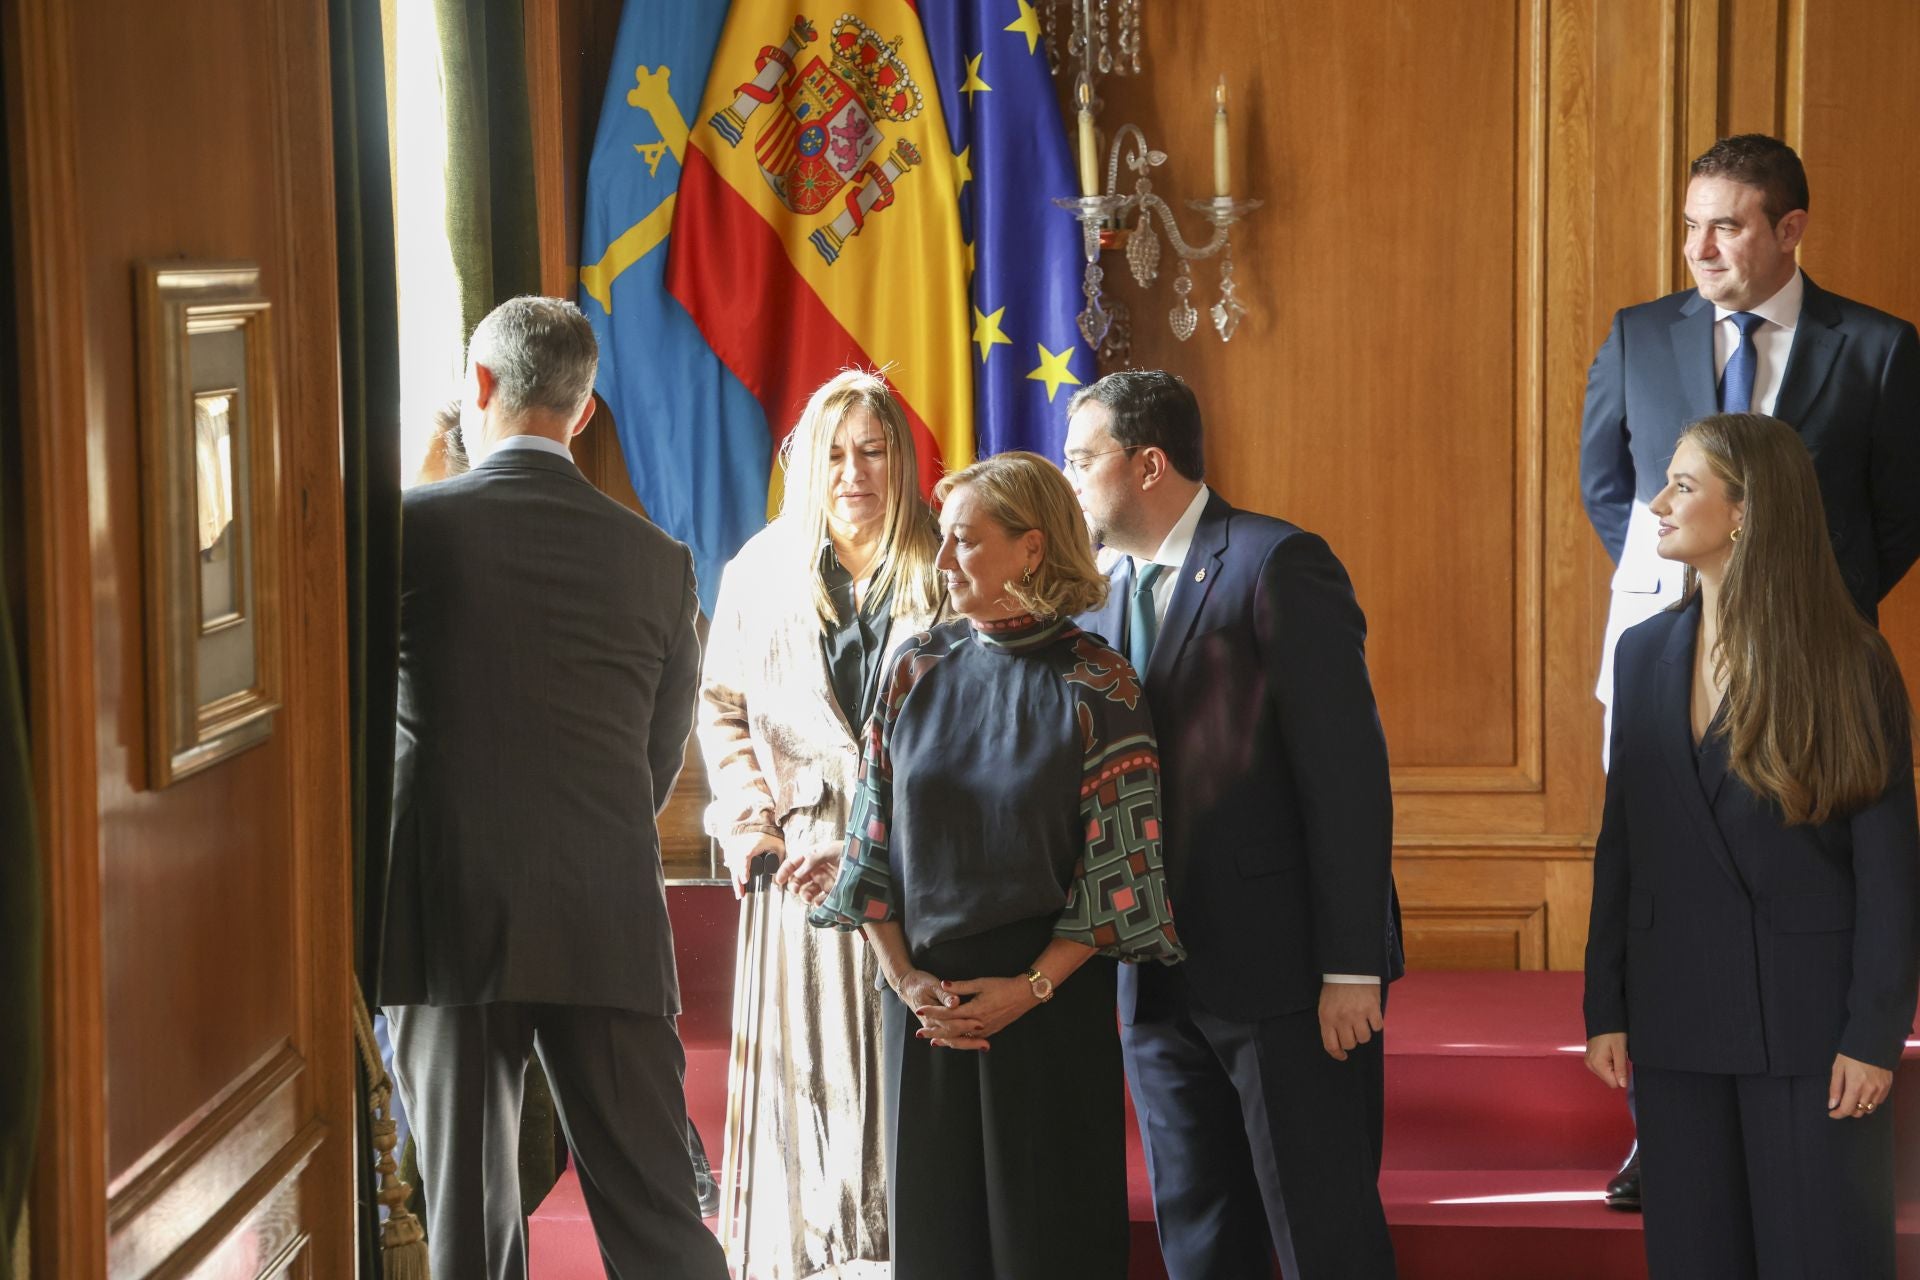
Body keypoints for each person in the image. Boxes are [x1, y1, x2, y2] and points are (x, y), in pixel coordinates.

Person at [1579, 131, 1920, 1207]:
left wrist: (1794, 602)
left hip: (1815, 668)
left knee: (1792, 879)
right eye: (1690, 225)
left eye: (1725, 225)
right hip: (1670, 647)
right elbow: (1609, 486)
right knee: (1668, 867)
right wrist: (1698, 591)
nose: (1700, 248)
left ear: (1789, 229)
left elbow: (1900, 510)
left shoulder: (1878, 347)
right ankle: (1666, 1131)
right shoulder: (1637, 335)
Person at [378, 295, 727, 1280]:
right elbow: (654, 760)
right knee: (658, 1216)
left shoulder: (405, 532)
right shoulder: (660, 562)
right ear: (584, 409)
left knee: (467, 1221)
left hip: (446, 915)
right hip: (606, 911)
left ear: (480, 385)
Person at [810, 451, 1184, 1280]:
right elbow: (870, 848)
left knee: (1047, 1250)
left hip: (1047, 1011)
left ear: (1032, 549)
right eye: (943, 539)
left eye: (967, 540)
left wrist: (1029, 990)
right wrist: (905, 979)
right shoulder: (914, 667)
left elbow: (1120, 877)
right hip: (923, 1009)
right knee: (935, 1248)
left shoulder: (1101, 684)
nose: (943, 560)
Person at [1068, 370, 1401, 1279]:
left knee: (1322, 1239)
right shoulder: (1093, 596)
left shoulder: (1275, 561)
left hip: (1285, 975)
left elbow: (1347, 778)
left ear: (1147, 465)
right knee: (1200, 1239)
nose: (1070, 480)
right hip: (1152, 979)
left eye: (1082, 459)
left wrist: (1352, 965)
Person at [1584, 412, 1919, 1278]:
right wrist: (1605, 1005)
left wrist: (1874, 1035)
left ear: (1745, 511)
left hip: (1812, 1031)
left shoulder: (1850, 662)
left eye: (1682, 485)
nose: (1658, 505)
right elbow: (1622, 843)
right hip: (1674, 1021)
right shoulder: (1641, 653)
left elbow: (1889, 873)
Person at [696, 369, 945, 1278]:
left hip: (924, 859)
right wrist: (750, 822)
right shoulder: (758, 571)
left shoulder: (945, 561)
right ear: (805, 465)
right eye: (835, 454)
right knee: (811, 1088)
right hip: (798, 863)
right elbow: (721, 708)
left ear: (901, 461)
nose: (854, 473)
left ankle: (917, 1253)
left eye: (873, 452)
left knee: (911, 1075)